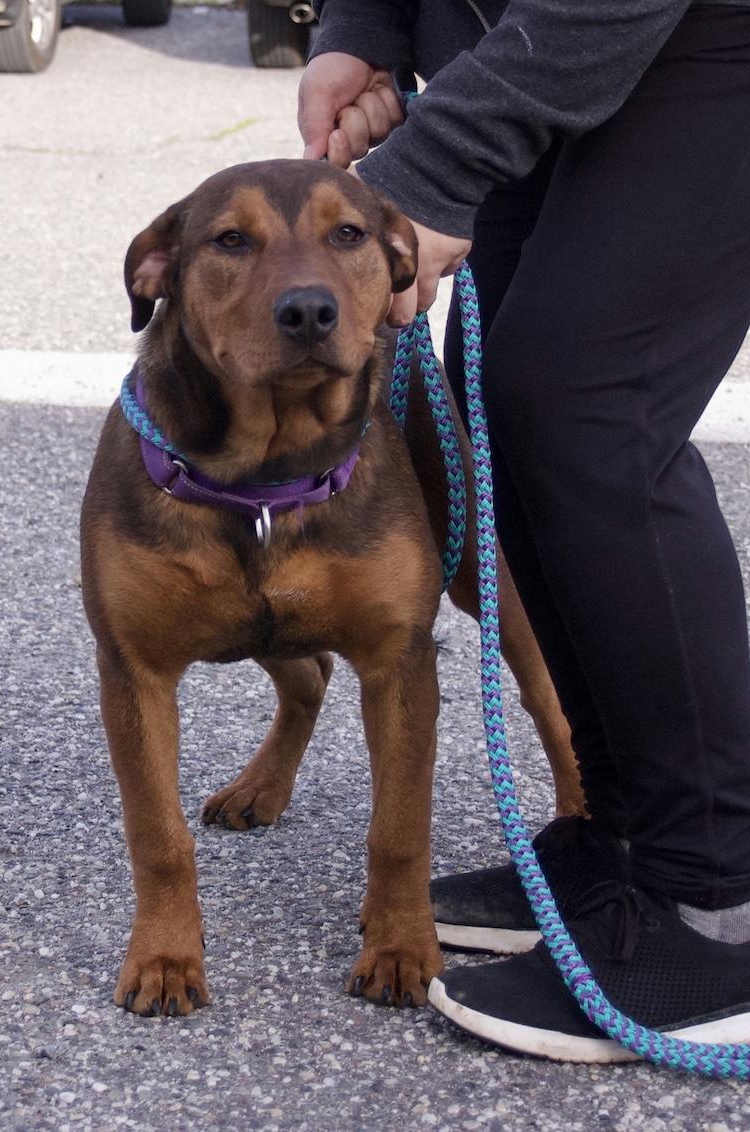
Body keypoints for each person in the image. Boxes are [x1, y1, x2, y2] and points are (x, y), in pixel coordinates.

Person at [297, 0, 750, 1062]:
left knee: (590, 409)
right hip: (510, 31)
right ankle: (625, 838)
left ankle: (714, 904)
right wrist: (364, 27)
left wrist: (436, 158)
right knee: (501, 397)